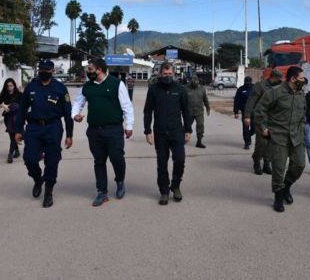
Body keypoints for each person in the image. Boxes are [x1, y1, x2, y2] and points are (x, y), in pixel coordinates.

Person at [72, 57, 134, 207]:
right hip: (94, 131)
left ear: (99, 69)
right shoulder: (87, 86)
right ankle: (102, 192)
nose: (88, 72)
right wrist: (75, 115)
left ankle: (120, 181)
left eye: (91, 69)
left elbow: (127, 106)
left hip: (113, 129)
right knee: (99, 161)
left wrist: (129, 125)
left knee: (117, 158)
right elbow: (78, 103)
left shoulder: (116, 84)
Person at [14, 60, 73, 208]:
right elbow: (22, 110)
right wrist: (18, 130)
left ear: (53, 71)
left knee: (52, 161)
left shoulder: (60, 88)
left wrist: (69, 134)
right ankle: (37, 179)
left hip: (53, 127)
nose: (43, 72)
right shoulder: (31, 86)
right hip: (33, 128)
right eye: (41, 69)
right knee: (29, 158)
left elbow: (67, 113)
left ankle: (48, 192)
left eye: (47, 70)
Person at [254, 66, 306, 213]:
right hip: (278, 136)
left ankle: (286, 187)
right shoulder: (275, 93)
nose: (304, 81)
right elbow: (260, 110)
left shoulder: (301, 94)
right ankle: (278, 197)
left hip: (296, 136)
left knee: (300, 165)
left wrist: (302, 126)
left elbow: (303, 113)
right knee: (278, 168)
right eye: (302, 78)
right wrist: (263, 127)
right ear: (293, 79)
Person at [143, 63, 192, 206]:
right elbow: (148, 111)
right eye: (165, 74)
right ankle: (164, 191)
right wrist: (147, 131)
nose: (168, 76)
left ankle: (175, 186)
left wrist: (188, 130)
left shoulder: (180, 89)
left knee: (180, 160)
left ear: (174, 73)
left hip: (177, 131)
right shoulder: (153, 89)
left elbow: (186, 111)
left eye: (170, 74)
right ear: (160, 74)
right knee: (162, 163)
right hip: (160, 133)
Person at [244, 69, 283, 175]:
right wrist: (247, 116)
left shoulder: (280, 87)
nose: (281, 80)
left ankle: (266, 163)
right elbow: (251, 101)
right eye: (279, 78)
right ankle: (256, 161)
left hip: (274, 119)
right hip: (261, 118)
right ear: (273, 77)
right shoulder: (260, 86)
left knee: (271, 144)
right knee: (262, 143)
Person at [0, 78, 22, 163]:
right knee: (11, 135)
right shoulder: (4, 94)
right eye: (8, 86)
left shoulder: (19, 94)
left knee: (15, 135)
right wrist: (2, 105)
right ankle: (16, 151)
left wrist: (13, 106)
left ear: (14, 86)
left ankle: (10, 154)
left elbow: (23, 106)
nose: (9, 87)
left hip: (17, 117)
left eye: (11, 86)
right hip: (8, 118)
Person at [184, 76, 211, 148]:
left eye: (196, 82)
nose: (195, 84)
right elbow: (181, 100)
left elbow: (205, 99)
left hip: (199, 111)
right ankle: (183, 140)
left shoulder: (202, 88)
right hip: (189, 112)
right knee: (187, 126)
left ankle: (199, 141)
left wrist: (208, 108)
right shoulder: (185, 88)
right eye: (193, 82)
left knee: (200, 125)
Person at [233, 76, 254, 149]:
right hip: (245, 111)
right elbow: (236, 101)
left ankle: (248, 135)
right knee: (245, 127)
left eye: (249, 82)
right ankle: (246, 143)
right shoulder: (241, 89)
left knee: (254, 128)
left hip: (254, 111)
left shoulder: (254, 88)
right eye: (247, 82)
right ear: (244, 82)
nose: (248, 84)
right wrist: (236, 112)